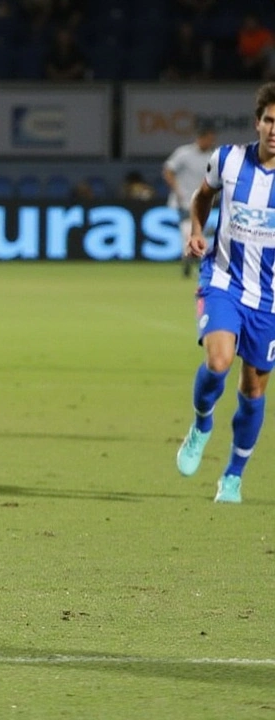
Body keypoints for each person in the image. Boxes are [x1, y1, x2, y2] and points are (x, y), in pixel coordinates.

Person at [177, 83, 275, 504]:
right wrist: (198, 232)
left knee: (253, 389)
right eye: (270, 120)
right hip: (224, 279)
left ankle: (233, 475)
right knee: (217, 361)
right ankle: (201, 423)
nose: (274, 129)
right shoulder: (229, 160)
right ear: (258, 122)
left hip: (269, 298)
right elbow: (202, 197)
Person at [163, 125, 217, 278]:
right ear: (200, 138)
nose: (211, 142)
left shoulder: (213, 156)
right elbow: (168, 170)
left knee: (198, 232)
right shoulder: (184, 153)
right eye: (209, 139)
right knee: (188, 231)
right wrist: (177, 190)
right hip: (184, 201)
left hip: (204, 201)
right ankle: (189, 261)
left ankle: (193, 260)